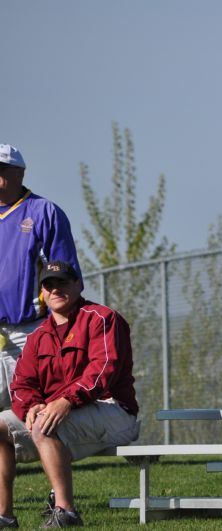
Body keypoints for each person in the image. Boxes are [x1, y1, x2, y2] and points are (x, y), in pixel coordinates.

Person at [0, 261, 139, 528]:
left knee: (45, 424)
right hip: (63, 413)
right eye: (48, 285)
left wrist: (65, 401)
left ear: (78, 284)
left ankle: (66, 512)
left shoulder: (102, 318)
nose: (55, 289)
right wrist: (30, 406)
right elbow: (21, 383)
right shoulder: (39, 335)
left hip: (113, 410)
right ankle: (4, 516)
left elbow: (103, 370)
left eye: (62, 282)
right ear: (42, 293)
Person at [0, 144, 81, 411]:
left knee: (27, 415)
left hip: (29, 332)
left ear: (20, 174)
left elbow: (67, 278)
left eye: (2, 169)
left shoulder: (44, 212)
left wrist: (58, 332)